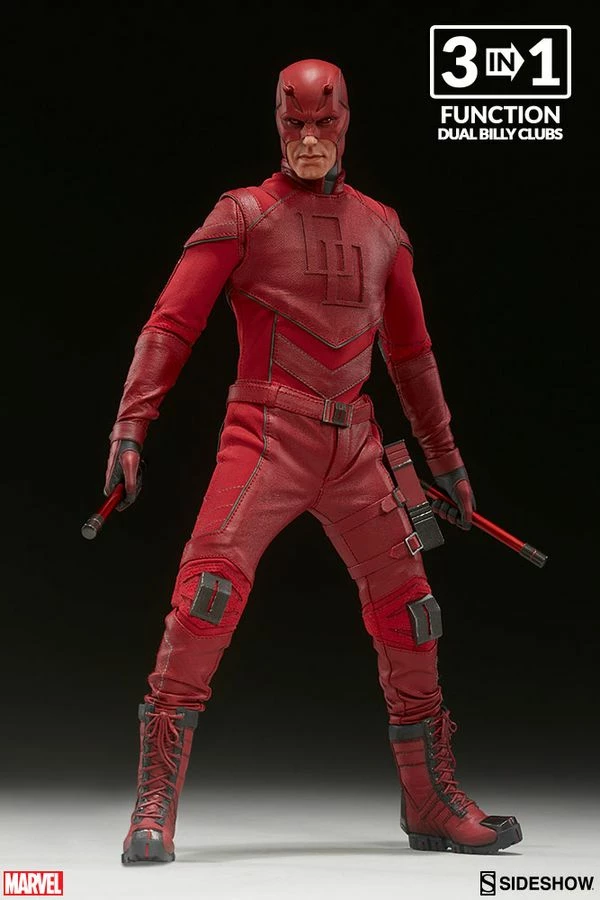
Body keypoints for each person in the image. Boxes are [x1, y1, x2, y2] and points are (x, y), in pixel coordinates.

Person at [105, 58, 522, 864]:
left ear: (345, 121)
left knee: (411, 611)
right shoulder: (242, 215)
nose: (307, 138)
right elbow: (171, 323)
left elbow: (411, 353)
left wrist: (446, 461)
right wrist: (131, 425)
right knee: (205, 597)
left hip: (357, 445)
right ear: (276, 121)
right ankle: (153, 805)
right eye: (294, 123)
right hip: (266, 435)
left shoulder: (383, 227)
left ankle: (429, 799)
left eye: (322, 123)